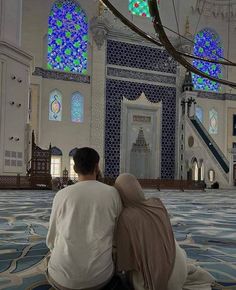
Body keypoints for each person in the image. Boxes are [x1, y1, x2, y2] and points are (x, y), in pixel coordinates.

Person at [114, 173, 215, 290]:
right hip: (180, 270)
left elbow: (124, 263)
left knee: (130, 275)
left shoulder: (126, 217)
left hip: (157, 284)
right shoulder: (156, 203)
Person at [46, 147, 122, 290]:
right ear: (97, 167)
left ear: (74, 168)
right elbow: (117, 238)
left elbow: (51, 239)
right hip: (100, 278)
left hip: (62, 280)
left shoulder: (62, 195)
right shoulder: (112, 193)